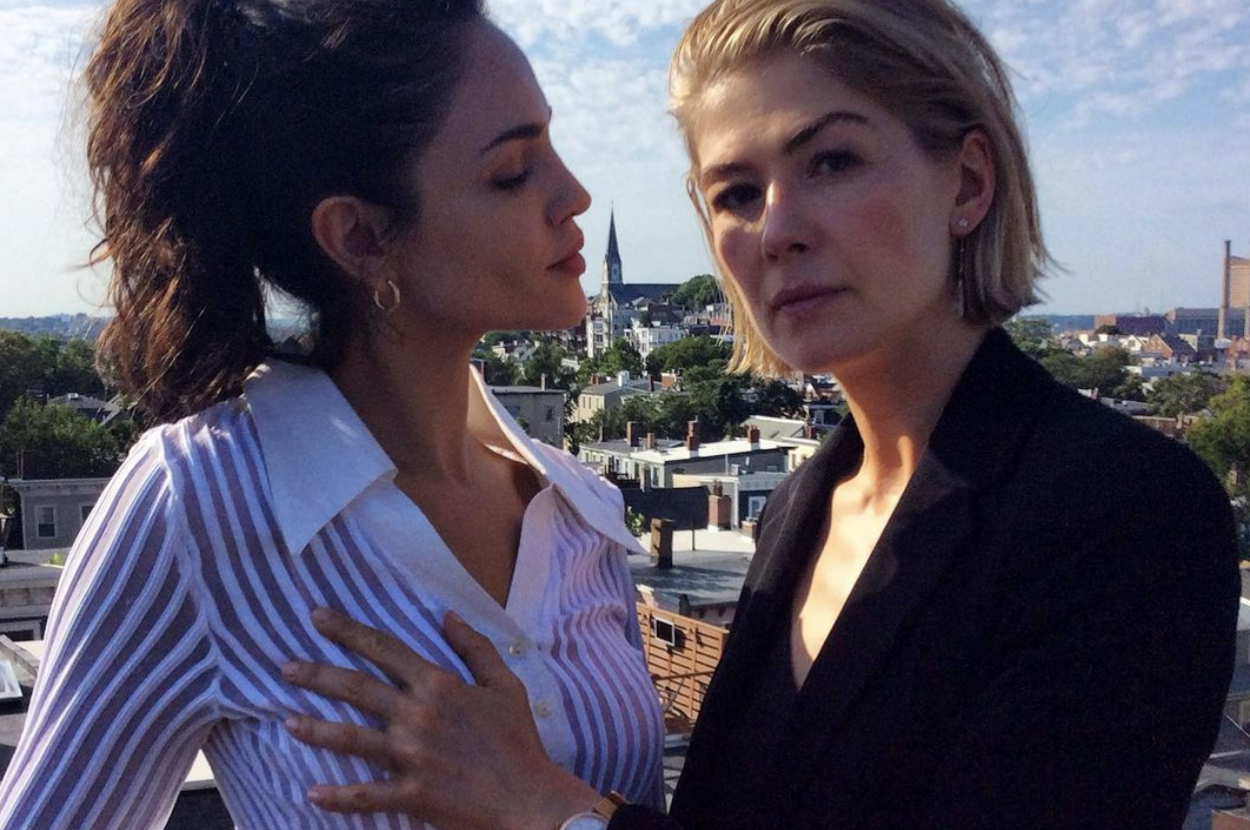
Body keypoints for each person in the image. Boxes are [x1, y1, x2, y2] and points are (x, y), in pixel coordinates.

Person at [278, 0, 1241, 828]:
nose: (777, 230)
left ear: (969, 182)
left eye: (831, 161)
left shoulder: (1123, 513)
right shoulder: (801, 509)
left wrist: (544, 807)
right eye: (735, 193)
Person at [0, 0, 666, 827]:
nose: (574, 194)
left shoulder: (578, 512)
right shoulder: (201, 503)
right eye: (512, 171)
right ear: (360, 237)